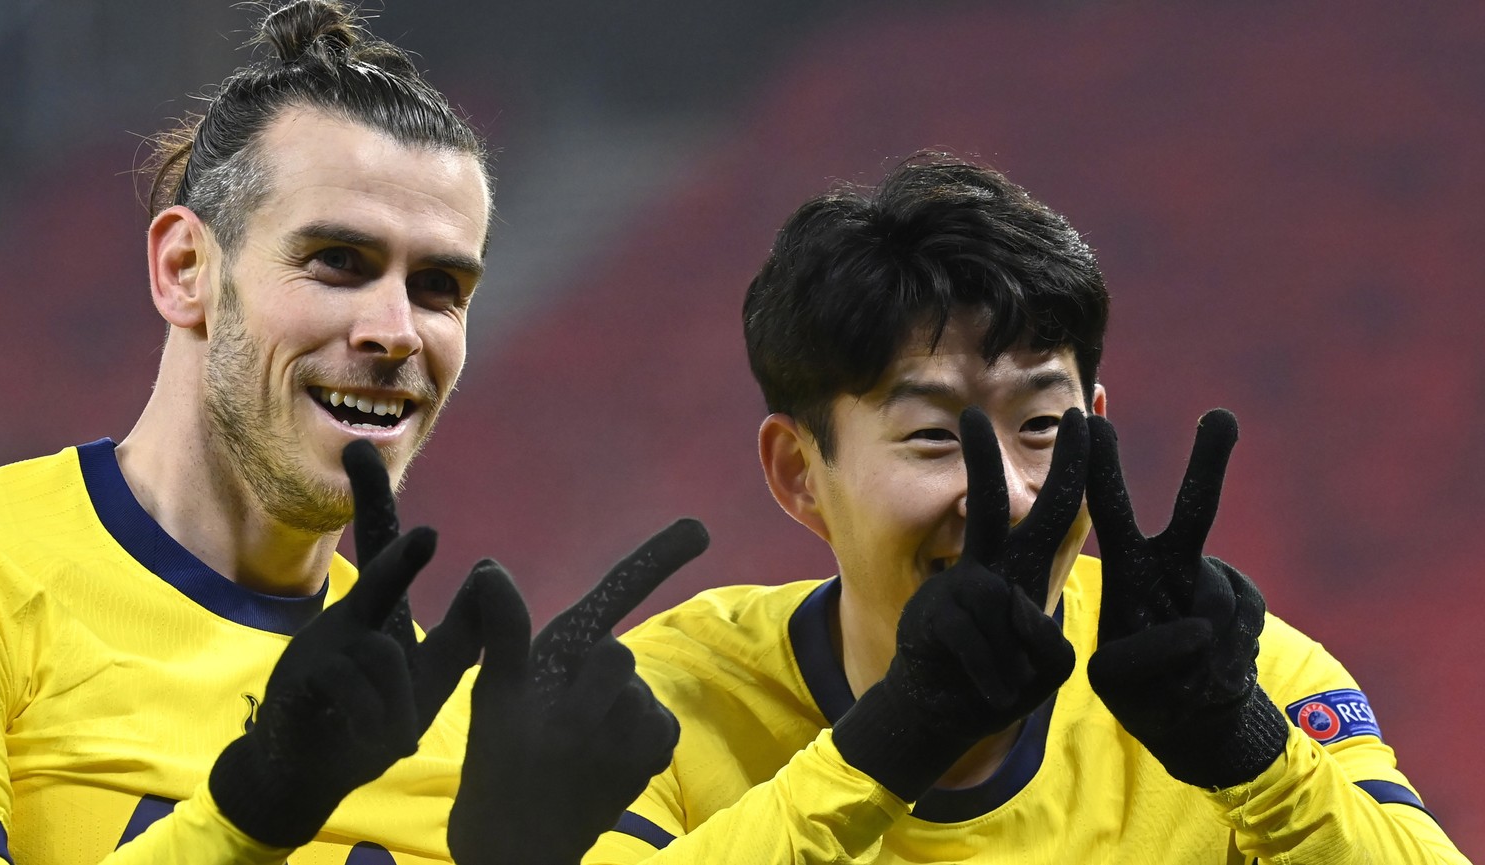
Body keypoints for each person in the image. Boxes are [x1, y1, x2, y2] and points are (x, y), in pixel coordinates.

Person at [0, 2, 704, 863]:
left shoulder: (455, 726)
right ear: (186, 270)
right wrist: (254, 810)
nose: (397, 330)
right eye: (338, 262)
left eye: (439, 286)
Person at [585, 154, 1469, 862]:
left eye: (1044, 424)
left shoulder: (1242, 677)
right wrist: (894, 740)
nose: (1005, 494)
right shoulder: (652, 705)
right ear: (798, 472)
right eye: (934, 437)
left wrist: (1248, 753)